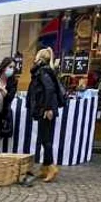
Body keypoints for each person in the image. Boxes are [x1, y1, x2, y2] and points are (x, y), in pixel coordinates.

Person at [27, 47, 63, 183]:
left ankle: (51, 166)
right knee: (44, 138)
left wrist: (47, 108)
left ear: (40, 58)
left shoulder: (42, 71)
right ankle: (45, 167)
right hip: (45, 108)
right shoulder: (46, 70)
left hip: (45, 109)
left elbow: (49, 89)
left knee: (46, 139)